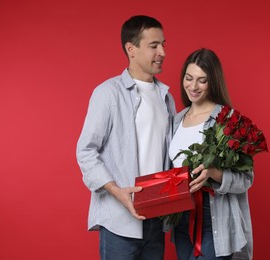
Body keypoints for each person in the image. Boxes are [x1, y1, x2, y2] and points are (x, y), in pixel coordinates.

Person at [76, 15, 176, 260]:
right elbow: (85, 151)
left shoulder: (167, 98)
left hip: (155, 220)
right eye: (154, 46)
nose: (162, 52)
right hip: (119, 223)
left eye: (163, 44)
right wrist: (116, 190)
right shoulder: (108, 93)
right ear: (131, 49)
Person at [168, 48, 253, 259]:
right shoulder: (175, 120)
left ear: (213, 82)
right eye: (188, 78)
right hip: (181, 217)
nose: (193, 86)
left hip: (213, 216)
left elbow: (246, 179)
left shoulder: (228, 120)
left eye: (202, 80)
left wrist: (214, 173)